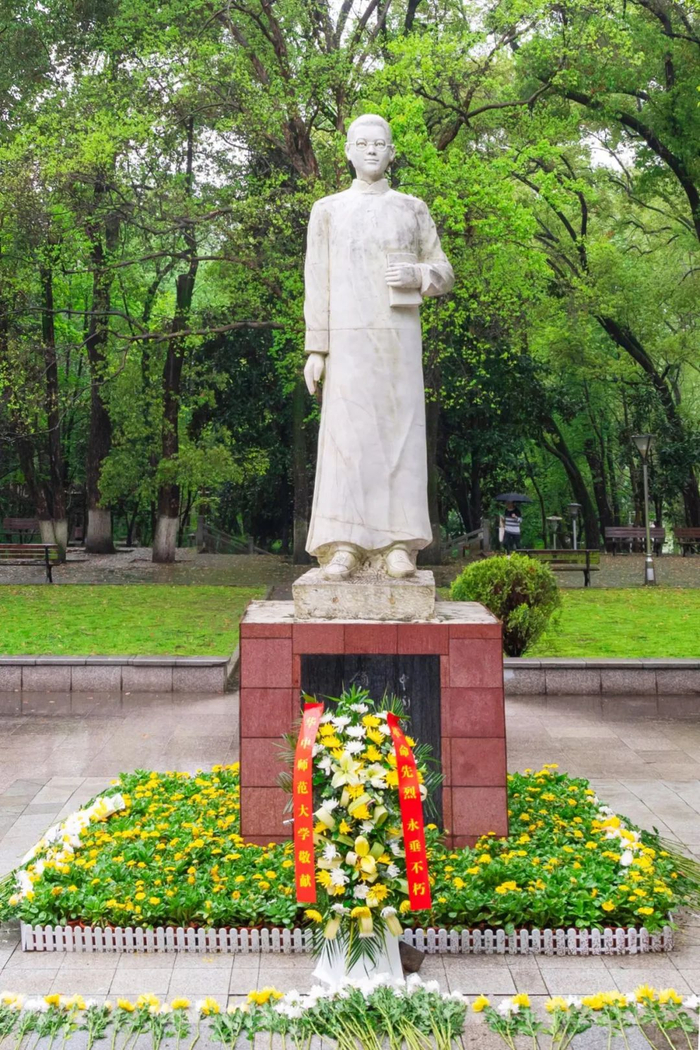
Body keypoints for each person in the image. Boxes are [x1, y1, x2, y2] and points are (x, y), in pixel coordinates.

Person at [303, 114, 454, 581]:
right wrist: (316, 349)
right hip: (347, 344)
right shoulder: (327, 210)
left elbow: (444, 272)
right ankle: (344, 543)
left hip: (398, 342)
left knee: (400, 439)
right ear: (348, 151)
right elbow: (316, 281)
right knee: (346, 440)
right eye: (362, 143)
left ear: (392, 153)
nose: (371, 150)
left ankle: (398, 544)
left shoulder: (412, 208)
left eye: (380, 143)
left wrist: (418, 275)